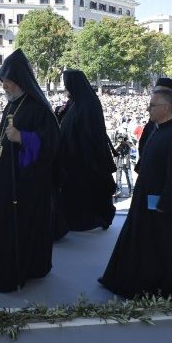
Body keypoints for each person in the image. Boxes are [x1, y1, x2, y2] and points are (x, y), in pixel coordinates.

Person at [99, 87, 172, 299]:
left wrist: (165, 204)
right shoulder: (160, 129)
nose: (148, 108)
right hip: (146, 199)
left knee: (162, 249)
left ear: (166, 108)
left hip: (162, 205)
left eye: (152, 105)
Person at [0, 49, 59, 293]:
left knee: (19, 225)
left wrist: (23, 138)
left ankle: (24, 268)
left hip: (26, 184)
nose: (3, 86)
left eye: (6, 81)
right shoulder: (13, 104)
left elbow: (51, 143)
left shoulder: (38, 107)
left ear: (18, 81)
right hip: (5, 176)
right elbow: (6, 132)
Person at [55, 69, 116, 232]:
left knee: (89, 191)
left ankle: (93, 219)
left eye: (67, 84)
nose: (65, 87)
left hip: (86, 159)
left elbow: (91, 133)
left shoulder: (88, 103)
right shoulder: (74, 102)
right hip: (73, 158)